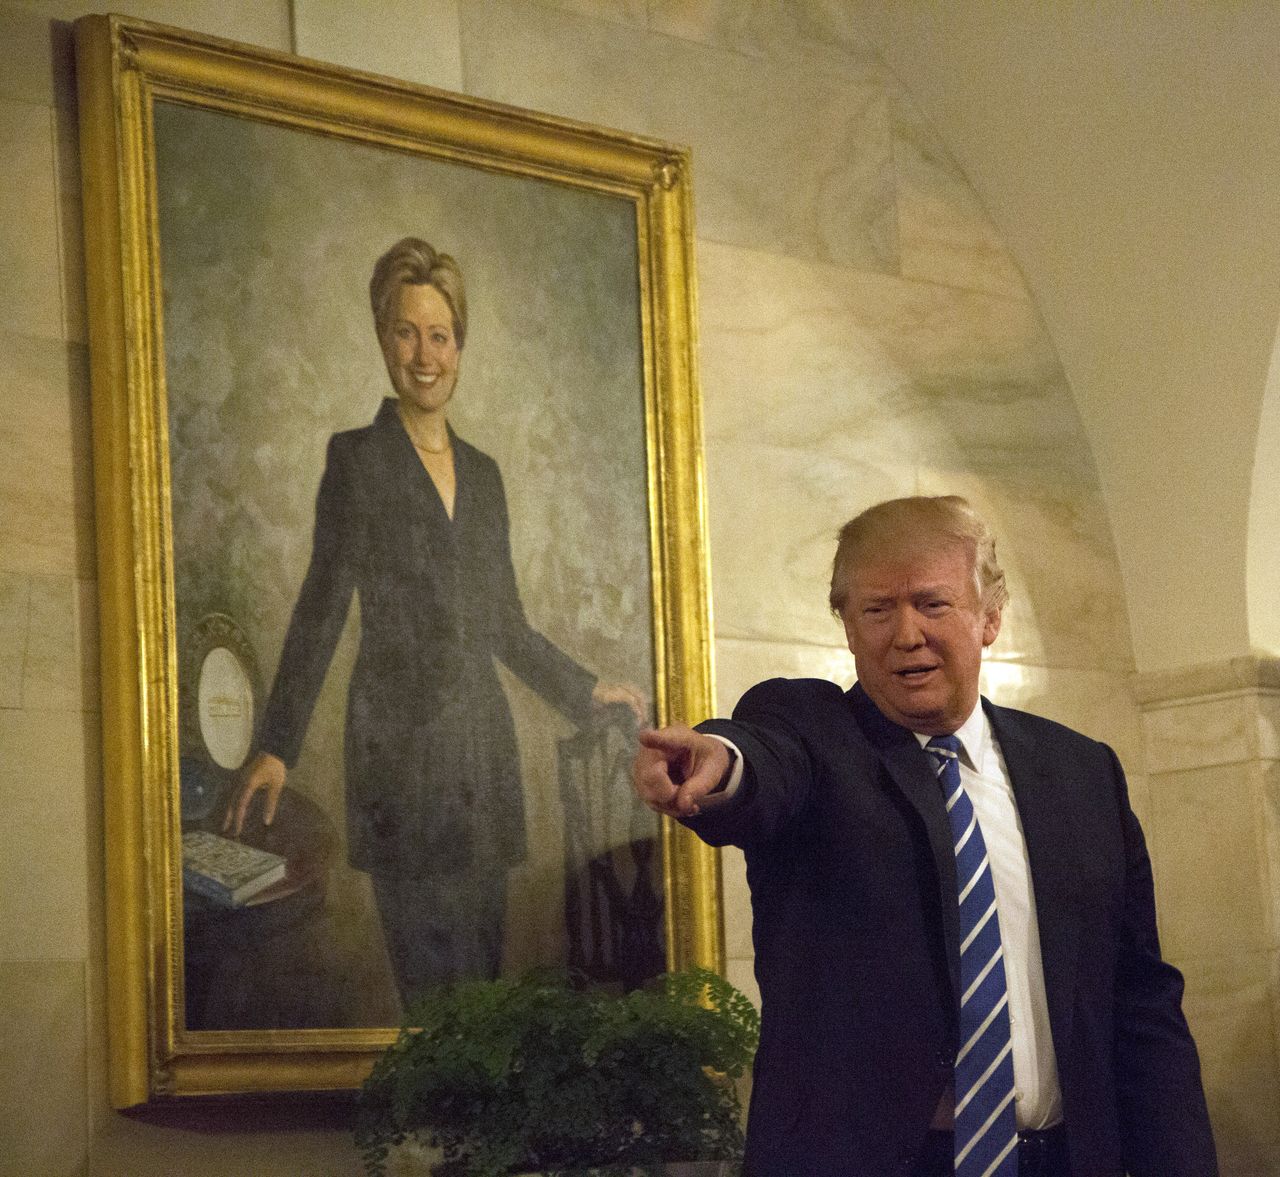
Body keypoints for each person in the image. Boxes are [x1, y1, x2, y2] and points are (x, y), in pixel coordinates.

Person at [633, 496, 1216, 1177]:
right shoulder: (813, 732)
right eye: (878, 609)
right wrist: (724, 767)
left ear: (990, 617)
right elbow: (764, 761)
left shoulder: (1082, 772)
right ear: (847, 627)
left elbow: (1141, 1003)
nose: (906, 633)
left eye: (932, 604)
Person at [226, 237, 642, 1004]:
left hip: (481, 759)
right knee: (431, 1006)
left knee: (482, 997)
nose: (425, 354)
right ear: (384, 338)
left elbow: (505, 624)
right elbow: (322, 604)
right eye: (407, 332)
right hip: (396, 763)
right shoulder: (355, 460)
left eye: (440, 335)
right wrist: (277, 744)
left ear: (461, 346)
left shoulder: (484, 475)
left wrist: (586, 690)